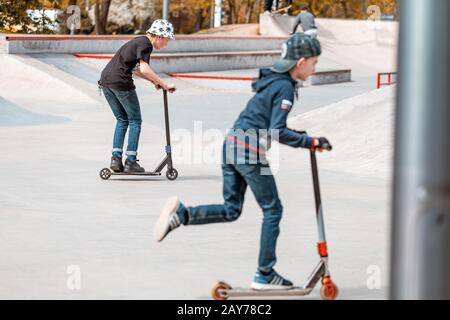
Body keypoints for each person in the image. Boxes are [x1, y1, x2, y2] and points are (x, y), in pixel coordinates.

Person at [154, 33, 332, 290]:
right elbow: (277, 131)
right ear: (301, 62)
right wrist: (311, 142)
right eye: (314, 63)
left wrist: (303, 137)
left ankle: (182, 214)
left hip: (231, 145)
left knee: (231, 209)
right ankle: (265, 274)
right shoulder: (285, 88)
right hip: (249, 152)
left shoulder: (274, 82)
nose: (315, 68)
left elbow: (269, 122)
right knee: (273, 210)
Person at [98, 19, 176, 174]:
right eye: (167, 40)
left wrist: (155, 82)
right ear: (159, 36)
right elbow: (145, 69)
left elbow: (137, 70)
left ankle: (116, 159)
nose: (166, 44)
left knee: (122, 120)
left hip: (106, 82)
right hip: (120, 82)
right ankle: (131, 161)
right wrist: (164, 84)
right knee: (135, 120)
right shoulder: (146, 44)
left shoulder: (138, 41)